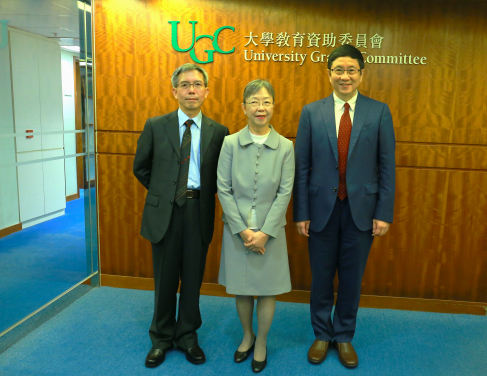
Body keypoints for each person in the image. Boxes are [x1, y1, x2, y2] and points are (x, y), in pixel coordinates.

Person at [293, 45, 396, 368]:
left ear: (361, 74)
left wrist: (383, 212)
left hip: (361, 211)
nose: (345, 76)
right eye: (338, 70)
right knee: (321, 277)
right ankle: (322, 334)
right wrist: (302, 212)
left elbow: (387, 167)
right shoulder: (312, 112)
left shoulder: (379, 112)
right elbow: (302, 166)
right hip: (321, 209)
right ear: (329, 74)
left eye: (351, 70)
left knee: (352, 278)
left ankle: (344, 336)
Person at [133, 63, 229, 368]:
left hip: (199, 210)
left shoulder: (219, 132)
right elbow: (141, 166)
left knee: (192, 278)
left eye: (198, 84)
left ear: (206, 91)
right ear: (174, 90)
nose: (191, 90)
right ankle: (161, 338)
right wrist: (164, 192)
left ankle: (187, 336)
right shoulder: (155, 125)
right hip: (165, 213)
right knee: (164, 279)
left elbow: (220, 175)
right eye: (185, 85)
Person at [217, 79, 294, 373]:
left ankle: (261, 341)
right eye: (254, 102)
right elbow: (223, 189)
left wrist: (264, 233)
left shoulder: (286, 146)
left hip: (271, 232)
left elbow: (285, 192)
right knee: (242, 288)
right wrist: (243, 231)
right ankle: (246, 336)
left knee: (267, 289)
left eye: (266, 102)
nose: (260, 108)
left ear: (273, 106)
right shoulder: (230, 143)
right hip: (237, 230)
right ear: (244, 107)